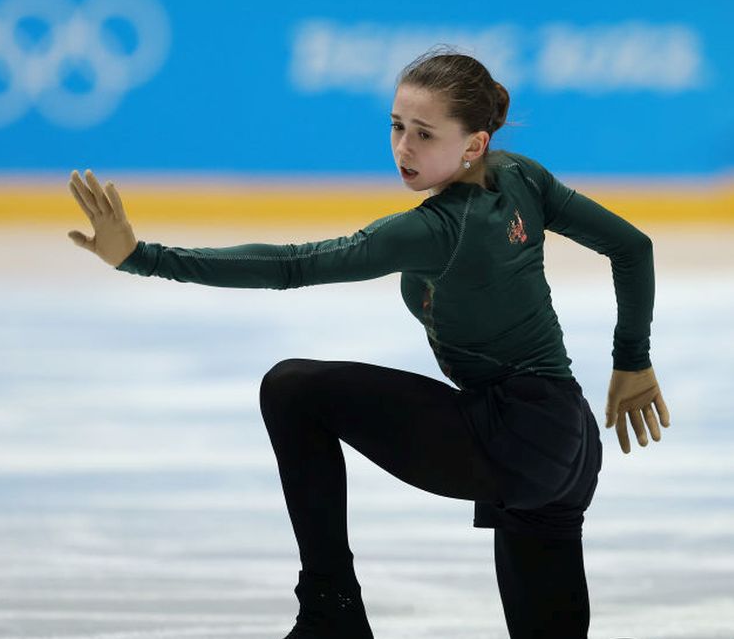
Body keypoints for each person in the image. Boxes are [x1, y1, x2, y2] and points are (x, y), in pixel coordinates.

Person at [67, 47, 670, 639]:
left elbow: (294, 265)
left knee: (294, 389)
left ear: (473, 144)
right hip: (567, 444)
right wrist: (633, 362)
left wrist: (143, 259)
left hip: (514, 437)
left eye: (425, 135)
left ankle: (332, 612)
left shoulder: (435, 229)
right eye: (397, 127)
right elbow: (632, 247)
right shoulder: (520, 176)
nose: (404, 148)